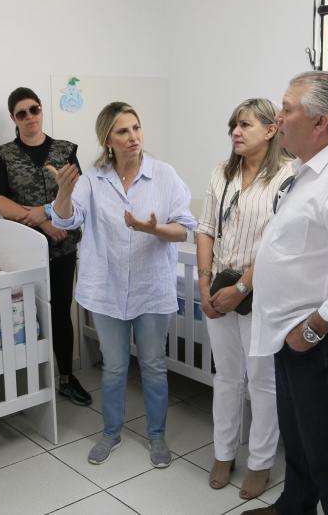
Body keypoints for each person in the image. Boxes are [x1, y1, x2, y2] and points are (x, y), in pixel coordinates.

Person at [243, 72, 328, 515]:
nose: (278, 119)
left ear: (320, 122)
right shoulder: (305, 172)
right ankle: (294, 507)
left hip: (322, 341)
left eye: (287, 109)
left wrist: (314, 330)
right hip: (292, 334)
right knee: (299, 439)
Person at [48, 101, 196, 468]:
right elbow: (67, 222)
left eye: (136, 128)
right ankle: (111, 432)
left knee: (153, 365)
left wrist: (153, 228)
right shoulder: (93, 180)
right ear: (107, 140)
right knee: (114, 367)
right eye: (122, 131)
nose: (133, 137)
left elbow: (185, 228)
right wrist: (63, 195)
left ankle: (157, 437)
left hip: (151, 287)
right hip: (106, 287)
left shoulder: (164, 175)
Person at [196, 98, 291, 498]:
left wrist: (241, 288)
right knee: (227, 377)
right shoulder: (222, 173)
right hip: (219, 287)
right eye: (234, 125)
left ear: (270, 130)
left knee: (263, 382)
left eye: (246, 125)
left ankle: (261, 462)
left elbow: (278, 244)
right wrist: (205, 283)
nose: (236, 131)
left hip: (262, 293)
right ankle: (223, 453)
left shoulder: (287, 176)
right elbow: (204, 228)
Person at [0, 87, 90, 406]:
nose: (30, 117)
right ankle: (25, 381)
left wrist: (50, 212)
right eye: (22, 113)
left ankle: (65, 377)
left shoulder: (65, 150)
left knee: (61, 312)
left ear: (41, 110)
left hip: (63, 249)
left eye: (34, 110)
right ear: (13, 118)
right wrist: (42, 220)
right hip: (22, 252)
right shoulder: (2, 154)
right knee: (21, 315)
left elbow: (82, 194)